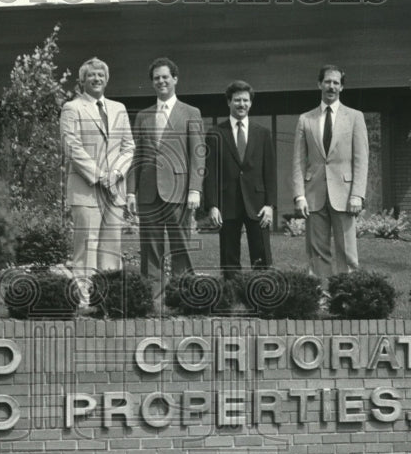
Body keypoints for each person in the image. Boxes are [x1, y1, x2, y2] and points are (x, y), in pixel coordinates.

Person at [60, 57, 135, 305]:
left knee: (112, 248)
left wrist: (115, 175)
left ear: (107, 79)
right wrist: (101, 176)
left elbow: (129, 148)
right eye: (91, 75)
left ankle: (110, 301)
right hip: (86, 191)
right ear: (82, 80)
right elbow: (72, 147)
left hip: (114, 191)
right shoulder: (72, 108)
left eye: (101, 75)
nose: (97, 79)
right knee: (87, 248)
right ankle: (84, 302)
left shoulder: (118, 108)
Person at [126, 56, 205, 285]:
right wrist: (131, 191)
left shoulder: (191, 112)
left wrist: (195, 190)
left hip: (179, 190)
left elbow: (197, 155)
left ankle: (183, 294)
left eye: (165, 77)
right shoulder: (143, 116)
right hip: (148, 192)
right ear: (152, 82)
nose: (161, 81)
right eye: (156, 78)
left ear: (175, 79)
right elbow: (137, 156)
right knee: (150, 247)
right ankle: (153, 299)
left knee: (180, 245)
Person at [292, 66, 368, 278]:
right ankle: (322, 296)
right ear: (319, 84)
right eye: (327, 82)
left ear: (341, 87)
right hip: (314, 194)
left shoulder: (355, 117)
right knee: (317, 252)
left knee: (347, 252)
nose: (331, 86)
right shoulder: (305, 119)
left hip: (345, 195)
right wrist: (299, 195)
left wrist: (357, 194)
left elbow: (362, 160)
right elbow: (298, 161)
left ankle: (347, 297)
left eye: (336, 83)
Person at [203, 80, 275, 276]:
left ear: (250, 103)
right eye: (237, 100)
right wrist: (212, 205)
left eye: (245, 100)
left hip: (258, 204)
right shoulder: (215, 133)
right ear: (229, 102)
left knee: (262, 254)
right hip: (228, 203)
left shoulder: (263, 134)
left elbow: (269, 171)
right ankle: (231, 295)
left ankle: (262, 294)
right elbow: (210, 172)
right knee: (229, 255)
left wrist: (270, 205)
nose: (241, 104)